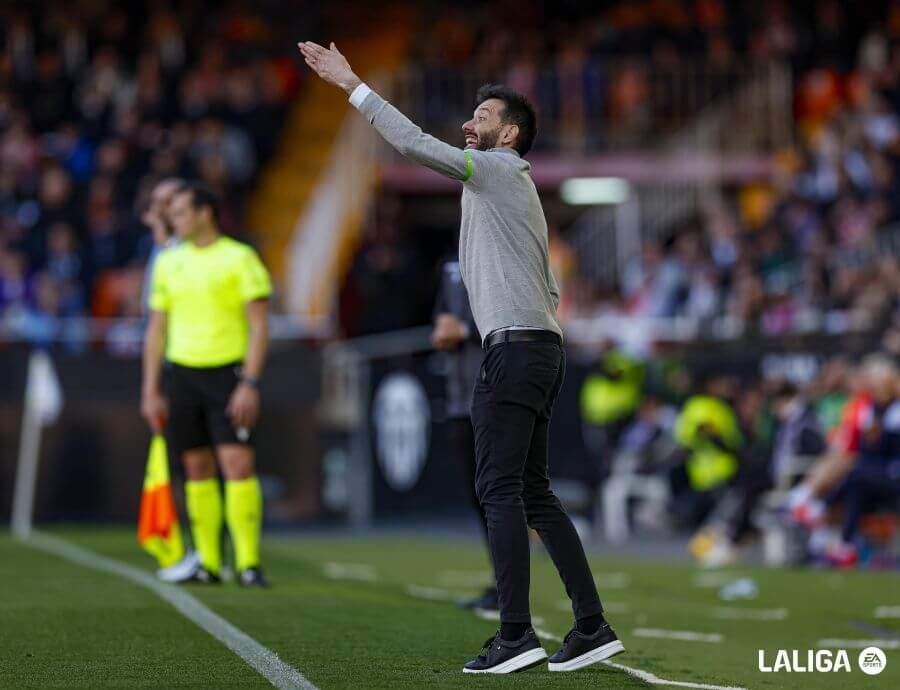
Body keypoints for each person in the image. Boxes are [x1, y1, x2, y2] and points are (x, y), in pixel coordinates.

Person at [300, 40, 622, 674]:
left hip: (517, 349)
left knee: (498, 489)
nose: (469, 122)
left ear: (509, 133)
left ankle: (515, 635)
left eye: (482, 115)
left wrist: (351, 85)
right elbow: (544, 285)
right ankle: (590, 626)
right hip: (538, 346)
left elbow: (415, 144)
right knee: (532, 494)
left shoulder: (500, 171)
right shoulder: (505, 188)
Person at [141, 181, 272, 587]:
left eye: (180, 212)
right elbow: (156, 330)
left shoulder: (240, 258)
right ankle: (209, 562)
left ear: (204, 213)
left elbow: (260, 326)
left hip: (227, 375)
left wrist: (249, 382)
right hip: (182, 374)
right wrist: (150, 389)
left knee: (237, 463)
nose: (173, 220)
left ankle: (248, 562)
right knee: (196, 467)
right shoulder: (168, 263)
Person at [139, 176, 202, 583]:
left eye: (168, 203)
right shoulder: (163, 251)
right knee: (180, 460)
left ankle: (201, 550)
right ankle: (192, 548)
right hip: (171, 364)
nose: (159, 209)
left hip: (192, 363)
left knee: (195, 461)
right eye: (156, 202)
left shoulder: (181, 252)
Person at [430, 257, 497, 613]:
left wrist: (466, 330)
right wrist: (443, 327)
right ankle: (502, 581)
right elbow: (443, 314)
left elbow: (511, 317)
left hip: (491, 390)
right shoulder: (450, 265)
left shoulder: (496, 252)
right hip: (459, 397)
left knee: (499, 493)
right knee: (480, 495)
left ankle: (510, 585)